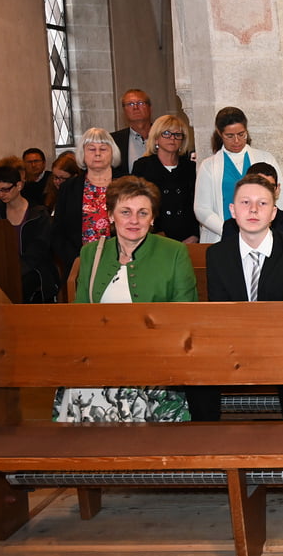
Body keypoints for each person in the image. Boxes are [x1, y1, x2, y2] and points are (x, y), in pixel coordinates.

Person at [54, 176, 197, 422]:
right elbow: (80, 315)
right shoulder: (91, 253)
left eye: (143, 213)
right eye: (125, 212)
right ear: (111, 215)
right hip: (99, 360)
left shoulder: (174, 252)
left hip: (156, 362)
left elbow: (186, 315)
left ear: (153, 218)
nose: (134, 220)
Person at [190, 174, 283, 422]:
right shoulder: (217, 254)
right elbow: (221, 309)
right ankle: (207, 437)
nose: (254, 209)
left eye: (262, 203)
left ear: (273, 212)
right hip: (231, 341)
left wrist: (267, 342)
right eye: (245, 203)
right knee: (198, 365)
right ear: (233, 210)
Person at [193, 107, 283, 243]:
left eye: (241, 134)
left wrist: (261, 227)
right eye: (230, 136)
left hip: (260, 235)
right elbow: (202, 209)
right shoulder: (208, 166)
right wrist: (228, 231)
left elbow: (280, 198)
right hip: (222, 237)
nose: (236, 141)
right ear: (220, 133)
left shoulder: (266, 158)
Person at [0, 165, 60, 303]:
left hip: (35, 269)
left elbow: (39, 249)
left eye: (6, 189)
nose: (1, 194)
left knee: (23, 285)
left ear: (19, 185)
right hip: (2, 268)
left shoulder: (38, 214)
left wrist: (16, 270)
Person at [53, 127, 120, 270]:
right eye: (91, 149)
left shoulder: (127, 184)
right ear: (82, 154)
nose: (97, 154)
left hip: (121, 261)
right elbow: (58, 230)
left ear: (112, 153)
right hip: (80, 263)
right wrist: (75, 260)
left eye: (103, 149)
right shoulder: (69, 188)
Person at [130, 115, 199, 243]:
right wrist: (155, 233)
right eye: (166, 133)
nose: (172, 138)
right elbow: (137, 203)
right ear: (156, 138)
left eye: (177, 134)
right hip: (155, 236)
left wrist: (195, 234)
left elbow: (197, 203)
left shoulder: (190, 167)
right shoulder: (143, 166)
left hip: (188, 237)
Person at [221, 162, 283, 240]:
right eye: (259, 186)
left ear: (277, 189)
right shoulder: (231, 226)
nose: (265, 192)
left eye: (270, 187)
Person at [111, 89, 153, 173]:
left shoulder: (166, 136)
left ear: (150, 108)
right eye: (130, 104)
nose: (135, 107)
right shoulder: (113, 141)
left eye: (140, 103)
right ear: (124, 110)